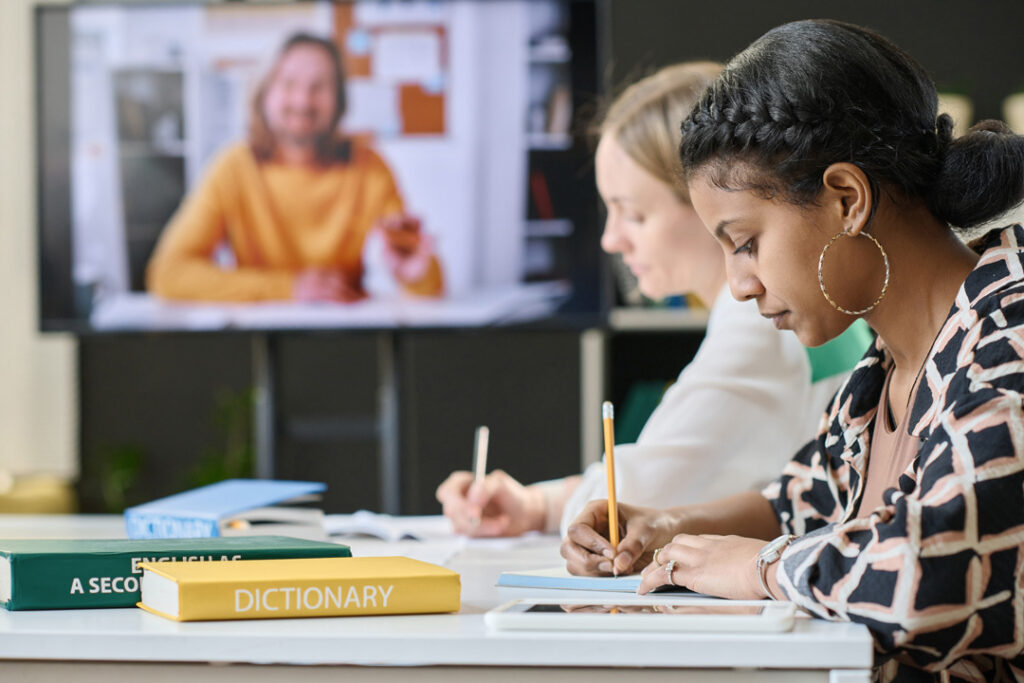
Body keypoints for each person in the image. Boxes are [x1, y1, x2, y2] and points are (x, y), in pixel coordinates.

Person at [561, 19, 1024, 681]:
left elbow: (930, 579)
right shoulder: (881, 373)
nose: (740, 285)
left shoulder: (1007, 340)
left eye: (745, 242)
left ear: (846, 199)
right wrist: (663, 527)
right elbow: (798, 501)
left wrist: (756, 566)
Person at [435, 63, 870, 537]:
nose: (610, 240)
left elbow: (635, 498)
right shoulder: (789, 309)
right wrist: (535, 504)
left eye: (634, 214)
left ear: (710, 204)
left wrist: (545, 505)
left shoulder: (762, 324)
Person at [147, 33, 443, 303]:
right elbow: (167, 274)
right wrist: (289, 288)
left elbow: (431, 286)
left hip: (344, 339)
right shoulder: (233, 167)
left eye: (319, 87)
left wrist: (413, 272)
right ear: (264, 93)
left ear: (338, 99)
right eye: (288, 84)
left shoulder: (369, 167)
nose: (303, 101)